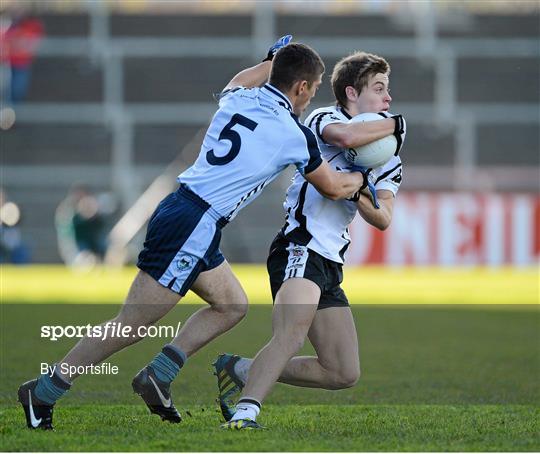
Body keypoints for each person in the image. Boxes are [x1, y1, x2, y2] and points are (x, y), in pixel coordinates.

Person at [17, 37, 377, 430]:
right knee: (132, 323)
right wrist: (366, 173)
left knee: (232, 305)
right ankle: (45, 390)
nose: (309, 101)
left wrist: (270, 60)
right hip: (195, 223)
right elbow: (334, 188)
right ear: (303, 87)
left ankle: (158, 373)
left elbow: (243, 77)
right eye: (313, 90)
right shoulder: (295, 134)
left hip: (185, 211)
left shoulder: (239, 96)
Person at [214, 51, 406, 430]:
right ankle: (245, 413)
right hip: (299, 244)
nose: (388, 100)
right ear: (351, 93)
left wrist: (358, 191)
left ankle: (240, 369)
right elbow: (347, 137)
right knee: (290, 335)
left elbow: (383, 218)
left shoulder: (388, 157)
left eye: (388, 91)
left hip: (331, 259)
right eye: (379, 89)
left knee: (342, 371)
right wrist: (396, 125)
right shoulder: (325, 117)